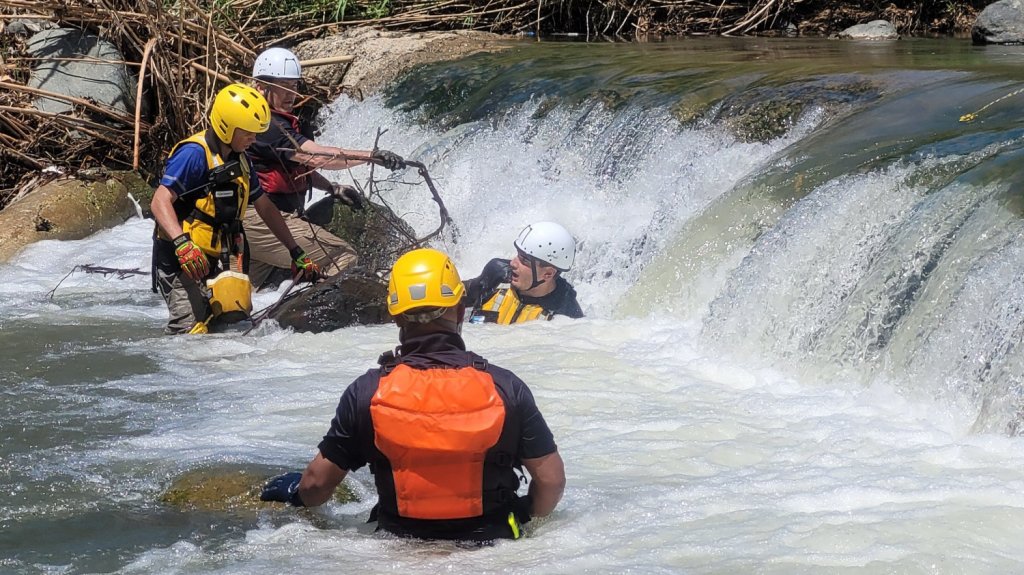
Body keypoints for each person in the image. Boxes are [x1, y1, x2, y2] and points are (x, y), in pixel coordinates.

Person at [260, 248, 566, 542]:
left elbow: (316, 486)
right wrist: (524, 514)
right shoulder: (506, 388)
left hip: (399, 547)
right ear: (460, 311)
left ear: (396, 317)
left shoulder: (366, 393)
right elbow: (551, 481)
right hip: (494, 549)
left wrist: (295, 493)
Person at [151, 83, 321, 335]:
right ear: (226, 127)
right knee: (190, 332)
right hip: (180, 257)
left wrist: (295, 251)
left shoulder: (241, 159)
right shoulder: (194, 155)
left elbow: (266, 208)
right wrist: (182, 244)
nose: (254, 139)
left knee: (232, 326)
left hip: (219, 256)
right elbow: (159, 201)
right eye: (248, 133)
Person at [244, 46, 407, 289]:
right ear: (261, 87)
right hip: (262, 219)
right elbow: (319, 157)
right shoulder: (265, 125)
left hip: (261, 222)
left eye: (294, 86)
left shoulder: (273, 122)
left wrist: (331, 187)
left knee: (243, 296)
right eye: (283, 86)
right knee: (342, 257)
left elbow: (293, 168)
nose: (291, 94)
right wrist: (372, 156)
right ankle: (318, 322)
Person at [463, 221, 583, 324]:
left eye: (524, 260)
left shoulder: (566, 315)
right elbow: (454, 295)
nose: (513, 263)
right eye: (518, 255)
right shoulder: (498, 274)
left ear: (548, 274)